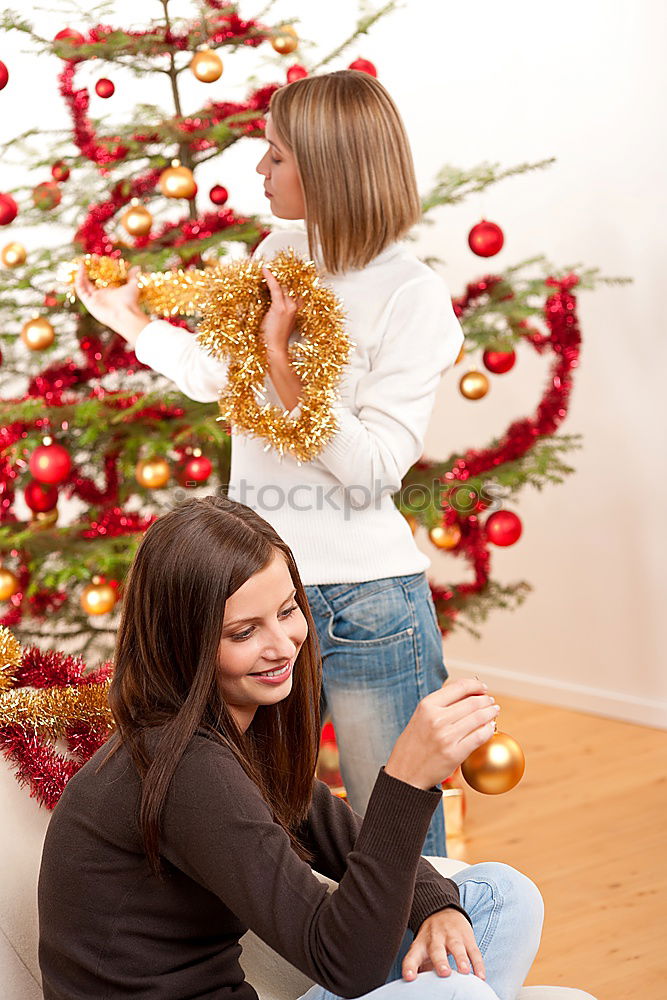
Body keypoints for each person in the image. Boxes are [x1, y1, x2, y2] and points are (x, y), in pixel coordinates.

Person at [74, 70, 466, 856]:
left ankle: (421, 981)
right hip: (255, 597)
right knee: (249, 822)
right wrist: (135, 325)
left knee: (396, 845)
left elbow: (374, 469)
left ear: (326, 168)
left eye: (275, 155)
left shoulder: (409, 294)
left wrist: (282, 366)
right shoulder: (280, 251)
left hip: (365, 608)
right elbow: (228, 378)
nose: (259, 171)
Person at [38, 496, 543, 1000]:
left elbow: (348, 842)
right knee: (458, 994)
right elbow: (346, 965)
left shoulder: (238, 737)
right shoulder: (187, 768)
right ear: (183, 642)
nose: (282, 645)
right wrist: (407, 781)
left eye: (288, 611)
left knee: (505, 896)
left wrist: (437, 906)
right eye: (244, 632)